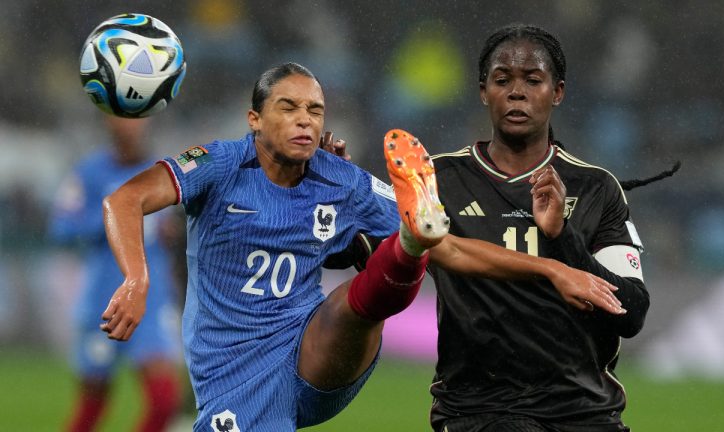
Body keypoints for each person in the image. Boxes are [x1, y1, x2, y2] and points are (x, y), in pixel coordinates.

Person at [98, 62, 624, 431]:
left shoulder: (339, 180)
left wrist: (550, 270)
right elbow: (124, 200)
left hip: (313, 351)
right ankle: (405, 242)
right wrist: (136, 278)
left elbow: (458, 251)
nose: (306, 120)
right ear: (254, 119)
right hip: (233, 372)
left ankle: (409, 240)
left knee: (374, 285)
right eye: (289, 107)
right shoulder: (215, 164)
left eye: (316, 110)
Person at [424, 24, 650, 432]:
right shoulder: (439, 179)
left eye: (533, 80)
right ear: (482, 91)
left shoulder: (595, 188)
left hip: (583, 412)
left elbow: (631, 314)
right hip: (477, 411)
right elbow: (366, 253)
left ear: (557, 92)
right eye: (502, 79)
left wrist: (563, 235)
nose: (516, 92)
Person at [48, 116, 183, 431]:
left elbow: (175, 231)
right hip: (103, 303)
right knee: (93, 404)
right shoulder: (88, 174)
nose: (130, 125)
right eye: (122, 117)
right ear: (108, 121)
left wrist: (170, 231)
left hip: (151, 302)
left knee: (164, 401)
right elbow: (62, 229)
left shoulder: (163, 175)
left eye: (138, 118)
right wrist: (116, 217)